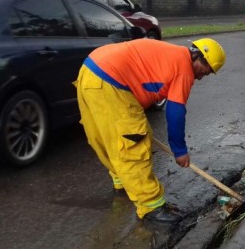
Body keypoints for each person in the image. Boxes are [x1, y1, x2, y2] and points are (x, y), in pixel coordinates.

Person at [75, 38, 226, 224]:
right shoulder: (184, 69)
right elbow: (175, 112)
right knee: (134, 144)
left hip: (90, 71)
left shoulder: (175, 54)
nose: (202, 77)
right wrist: (179, 151)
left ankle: (122, 182)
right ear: (200, 59)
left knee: (106, 136)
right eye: (206, 72)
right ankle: (151, 206)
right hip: (111, 81)